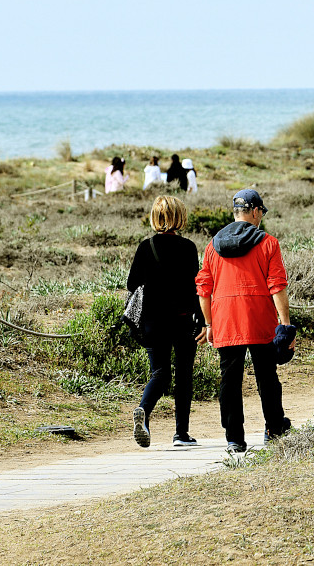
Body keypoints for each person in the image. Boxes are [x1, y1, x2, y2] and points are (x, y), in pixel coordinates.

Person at [195, 189, 292, 453]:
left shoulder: (213, 245)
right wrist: (285, 324)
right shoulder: (269, 243)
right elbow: (277, 286)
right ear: (256, 211)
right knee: (267, 376)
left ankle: (234, 438)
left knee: (230, 379)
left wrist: (209, 323)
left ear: (235, 212)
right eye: (262, 211)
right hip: (259, 318)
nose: (262, 216)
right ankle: (274, 428)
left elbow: (203, 289)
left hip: (226, 319)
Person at [127, 195, 206, 449]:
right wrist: (203, 321)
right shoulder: (188, 247)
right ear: (179, 217)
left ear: (155, 217)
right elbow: (197, 288)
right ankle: (181, 434)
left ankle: (143, 410)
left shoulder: (145, 246)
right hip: (183, 321)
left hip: (152, 321)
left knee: (159, 373)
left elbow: (132, 285)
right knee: (184, 376)